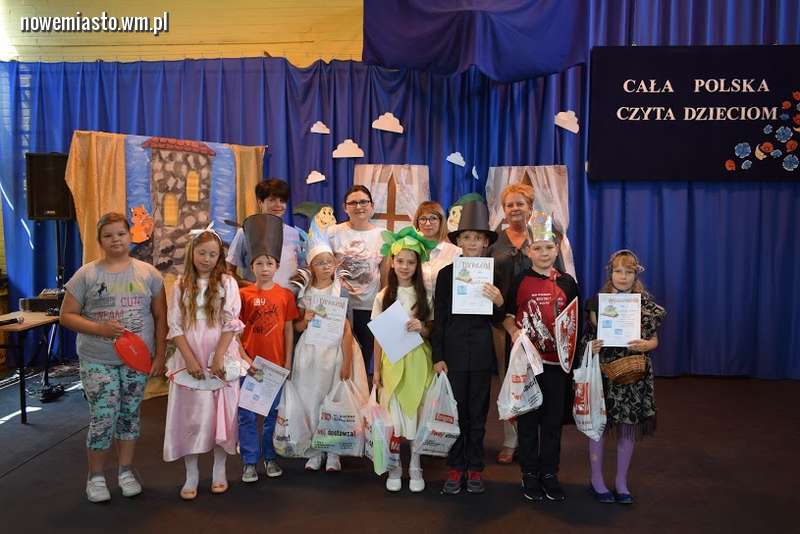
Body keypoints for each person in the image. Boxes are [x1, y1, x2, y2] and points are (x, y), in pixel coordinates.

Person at [60, 212, 167, 503]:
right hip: (98, 358)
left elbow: (161, 317)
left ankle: (126, 471)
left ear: (130, 236)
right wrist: (100, 329)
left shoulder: (149, 274)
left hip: (137, 360)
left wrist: (159, 355)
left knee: (130, 415)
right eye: (108, 235)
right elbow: (66, 316)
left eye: (121, 233)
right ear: (100, 241)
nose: (115, 240)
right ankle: (95, 477)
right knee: (104, 416)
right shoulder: (87, 275)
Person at [163, 229, 246, 499]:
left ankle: (220, 469)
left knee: (222, 414)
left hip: (219, 352)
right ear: (192, 253)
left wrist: (219, 356)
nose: (207, 259)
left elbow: (231, 322)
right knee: (191, 415)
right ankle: (191, 473)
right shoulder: (180, 284)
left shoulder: (227, 283)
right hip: (191, 354)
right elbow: (175, 325)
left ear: (219, 256)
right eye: (202, 253)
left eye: (213, 254)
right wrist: (189, 358)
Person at [502, 211, 578, 503]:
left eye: (549, 247)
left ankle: (549, 473)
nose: (544, 253)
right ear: (529, 250)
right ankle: (529, 473)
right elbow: (507, 315)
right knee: (528, 420)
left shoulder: (568, 282)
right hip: (528, 364)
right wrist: (513, 332)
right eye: (538, 248)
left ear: (557, 249)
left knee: (552, 422)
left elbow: (574, 323)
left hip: (557, 364)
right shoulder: (520, 280)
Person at [431, 201, 505, 495]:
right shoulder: (446, 274)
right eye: (467, 237)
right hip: (453, 353)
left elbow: (498, 320)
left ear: (486, 242)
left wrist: (498, 302)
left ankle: (474, 467)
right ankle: (455, 467)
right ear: (458, 241)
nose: (472, 242)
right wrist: (438, 356)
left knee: (477, 413)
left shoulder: (494, 274)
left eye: (477, 238)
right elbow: (439, 318)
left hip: (482, 352)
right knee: (456, 412)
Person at [584, 250, 666, 505]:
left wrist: (647, 345)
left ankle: (621, 481)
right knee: (598, 426)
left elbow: (654, 340)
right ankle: (596, 479)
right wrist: (592, 346)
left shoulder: (646, 305)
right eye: (618, 271)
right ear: (610, 273)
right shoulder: (597, 303)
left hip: (633, 373)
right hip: (605, 371)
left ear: (635, 275)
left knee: (628, 427)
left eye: (628, 272)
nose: (623, 276)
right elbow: (587, 338)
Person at [292, 224, 369, 472]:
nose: (325, 266)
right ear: (311, 266)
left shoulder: (340, 290)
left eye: (328, 262)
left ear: (335, 263)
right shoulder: (305, 291)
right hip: (311, 352)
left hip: (335, 351)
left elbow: (347, 328)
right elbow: (297, 326)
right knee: (312, 397)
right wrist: (306, 319)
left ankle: (334, 450)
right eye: (319, 263)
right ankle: (315, 450)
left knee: (333, 398)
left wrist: (347, 361)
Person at [372, 227, 436, 493]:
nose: (405, 267)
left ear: (417, 265)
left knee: (417, 413)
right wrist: (376, 371)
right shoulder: (383, 296)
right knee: (394, 416)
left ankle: (416, 466)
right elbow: (378, 337)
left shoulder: (425, 295)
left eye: (411, 262)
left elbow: (432, 330)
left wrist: (421, 327)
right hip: (392, 363)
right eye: (400, 261)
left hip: (419, 362)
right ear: (392, 262)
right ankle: (395, 466)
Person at [237, 214, 300, 483]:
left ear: (277, 266)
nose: (265, 268)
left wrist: (287, 361)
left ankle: (270, 456)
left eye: (270, 263)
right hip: (250, 365)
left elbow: (288, 329)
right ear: (251, 265)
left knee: (273, 414)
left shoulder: (285, 295)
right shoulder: (243, 295)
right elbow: (235, 332)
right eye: (259, 263)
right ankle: (249, 461)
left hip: (275, 366)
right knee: (247, 415)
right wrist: (243, 359)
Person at [488, 183, 534, 464]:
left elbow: (559, 276)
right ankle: (510, 439)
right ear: (503, 210)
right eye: (509, 205)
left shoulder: (543, 238)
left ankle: (531, 438)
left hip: (535, 322)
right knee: (508, 379)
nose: (515, 209)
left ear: (530, 207)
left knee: (534, 378)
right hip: (501, 324)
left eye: (520, 203)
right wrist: (503, 317)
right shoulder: (494, 243)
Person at [327, 185, 388, 371]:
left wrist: (383, 305)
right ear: (345, 207)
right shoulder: (332, 232)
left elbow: (385, 275)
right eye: (353, 203)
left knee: (363, 359)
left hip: (368, 307)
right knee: (337, 360)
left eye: (363, 202)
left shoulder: (383, 235)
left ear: (372, 205)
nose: (359, 206)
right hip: (337, 305)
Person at [227, 178, 303, 288]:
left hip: (289, 297)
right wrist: (253, 288)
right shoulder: (245, 232)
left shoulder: (294, 233)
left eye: (282, 201)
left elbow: (301, 269)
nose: (278, 205)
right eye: (272, 200)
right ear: (260, 202)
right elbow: (229, 271)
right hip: (256, 298)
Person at [414, 201, 461, 296]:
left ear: (441, 222)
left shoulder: (456, 252)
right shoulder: (410, 250)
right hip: (415, 304)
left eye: (433, 218)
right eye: (423, 219)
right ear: (417, 222)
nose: (428, 223)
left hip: (445, 304)